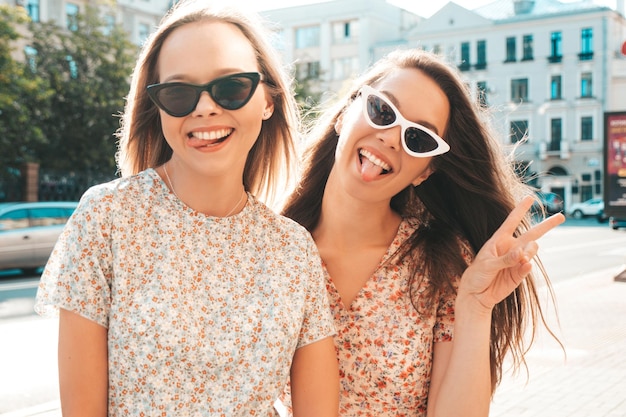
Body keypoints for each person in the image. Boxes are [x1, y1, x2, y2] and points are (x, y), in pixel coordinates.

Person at [34, 1, 339, 416]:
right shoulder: (107, 218)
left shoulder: (293, 250)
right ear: (157, 107)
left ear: (268, 100)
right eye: (178, 92)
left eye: (231, 87)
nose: (205, 107)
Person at [280, 48, 565, 417]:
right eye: (382, 111)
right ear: (347, 112)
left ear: (425, 171)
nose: (391, 137)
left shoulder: (442, 262)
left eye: (418, 139)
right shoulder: (272, 248)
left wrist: (476, 309)